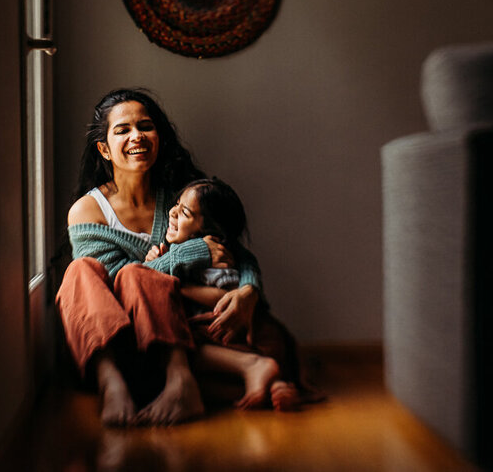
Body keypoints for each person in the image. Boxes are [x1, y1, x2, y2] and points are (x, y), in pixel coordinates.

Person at [56, 88, 264, 426]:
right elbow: (123, 280)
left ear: (159, 136)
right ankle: (111, 383)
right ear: (104, 149)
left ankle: (180, 380)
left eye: (146, 126)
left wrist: (249, 291)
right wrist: (194, 251)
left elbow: (236, 252)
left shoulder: (184, 197)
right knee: (79, 270)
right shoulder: (87, 210)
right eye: (122, 130)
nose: (137, 136)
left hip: (177, 331)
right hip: (119, 337)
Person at [146, 178, 321, 410]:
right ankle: (273, 387)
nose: (173, 212)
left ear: (212, 232)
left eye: (185, 212)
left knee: (183, 352)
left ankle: (265, 373)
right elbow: (142, 274)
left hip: (236, 334)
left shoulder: (216, 256)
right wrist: (158, 261)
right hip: (228, 344)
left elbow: (225, 296)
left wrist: (178, 286)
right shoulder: (178, 250)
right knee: (192, 377)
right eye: (176, 204)